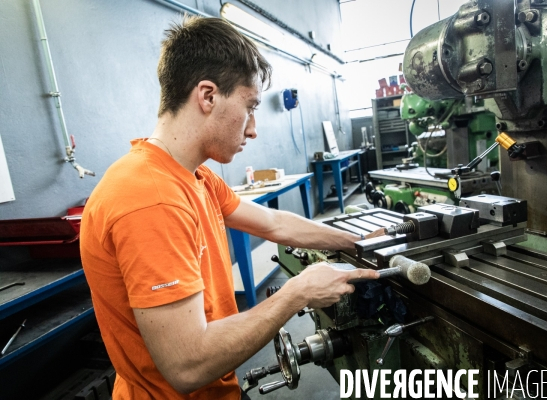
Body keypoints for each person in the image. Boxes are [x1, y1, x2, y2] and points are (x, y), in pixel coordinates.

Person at [80, 16, 380, 400]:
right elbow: (187, 366)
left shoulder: (195, 177)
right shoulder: (150, 198)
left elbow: (273, 223)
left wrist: (356, 241)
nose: (253, 128)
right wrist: (297, 292)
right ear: (207, 96)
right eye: (249, 107)